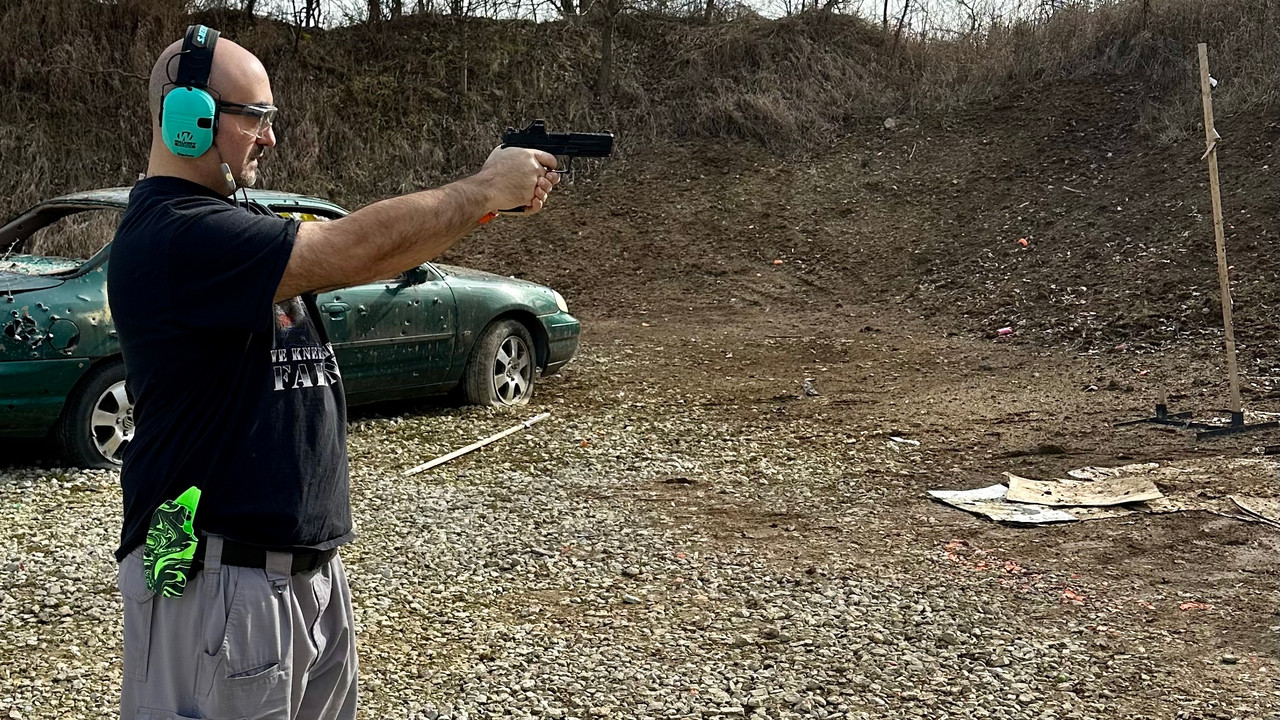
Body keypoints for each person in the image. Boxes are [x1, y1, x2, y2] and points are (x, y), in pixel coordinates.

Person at [108, 24, 558, 720]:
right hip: (218, 577)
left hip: (295, 574)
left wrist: (489, 201)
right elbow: (349, 246)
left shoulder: (223, 221)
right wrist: (479, 189)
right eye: (256, 117)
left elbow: (377, 257)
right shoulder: (177, 236)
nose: (270, 137)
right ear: (187, 117)